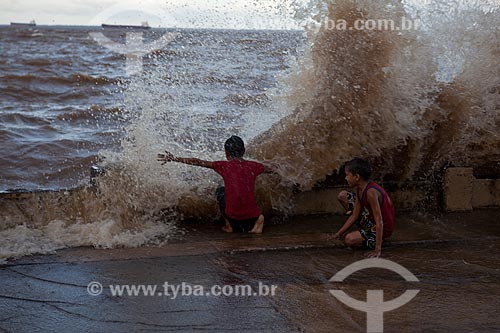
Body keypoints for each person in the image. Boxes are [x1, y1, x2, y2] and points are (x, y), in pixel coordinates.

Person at [157, 135, 274, 234]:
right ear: (243, 151)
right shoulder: (254, 166)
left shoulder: (223, 166)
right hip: (253, 216)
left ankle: (229, 225)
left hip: (233, 216)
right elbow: (271, 169)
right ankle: (258, 221)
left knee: (220, 191)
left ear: (226, 153)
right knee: (248, 195)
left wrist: (174, 158)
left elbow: (198, 162)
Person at [333, 158, 395, 257]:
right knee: (343, 195)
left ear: (356, 176)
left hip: (382, 228)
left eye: (347, 175)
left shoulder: (371, 192)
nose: (345, 178)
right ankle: (364, 233)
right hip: (370, 221)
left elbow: (379, 222)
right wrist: (338, 234)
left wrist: (377, 250)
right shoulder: (359, 189)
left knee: (350, 239)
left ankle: (378, 240)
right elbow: (355, 215)